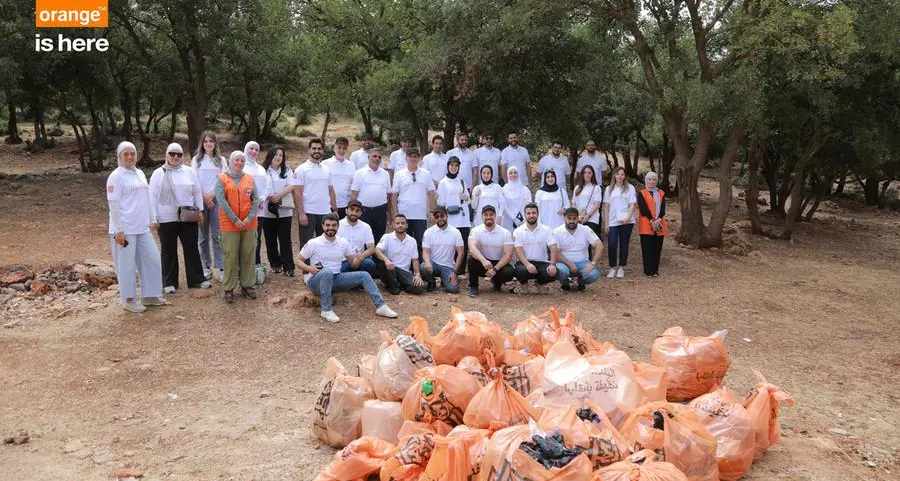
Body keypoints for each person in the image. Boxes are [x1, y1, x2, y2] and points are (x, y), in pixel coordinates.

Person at [298, 214, 398, 323]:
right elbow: (298, 260)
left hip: (336, 279)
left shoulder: (343, 243)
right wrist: (310, 269)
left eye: (333, 225)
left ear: (338, 227)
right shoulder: (314, 243)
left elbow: (353, 264)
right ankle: (326, 310)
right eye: (327, 225)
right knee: (327, 272)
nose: (330, 228)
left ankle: (381, 306)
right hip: (316, 281)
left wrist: (359, 258)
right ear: (322, 226)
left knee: (364, 275)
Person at [107, 141, 164, 313]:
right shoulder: (116, 176)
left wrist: (152, 219)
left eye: (132, 153)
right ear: (119, 156)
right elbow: (113, 204)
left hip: (142, 227)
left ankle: (150, 295)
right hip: (125, 228)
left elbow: (146, 198)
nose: (130, 157)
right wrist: (118, 229)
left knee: (152, 259)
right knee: (126, 264)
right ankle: (128, 298)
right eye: (126, 154)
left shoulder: (139, 173)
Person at [148, 142, 208, 293]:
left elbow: (196, 192)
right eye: (172, 154)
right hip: (166, 217)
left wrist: (200, 210)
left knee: (191, 247)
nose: (175, 157)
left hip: (188, 216)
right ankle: (169, 282)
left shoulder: (189, 172)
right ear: (167, 155)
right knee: (168, 249)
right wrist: (153, 218)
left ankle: (197, 279)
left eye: (179, 154)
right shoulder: (158, 173)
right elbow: (152, 196)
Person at [215, 150, 260, 303]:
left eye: (242, 160)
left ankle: (247, 285)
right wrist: (235, 219)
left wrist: (248, 218)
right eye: (236, 160)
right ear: (231, 161)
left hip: (249, 224)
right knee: (230, 256)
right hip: (229, 224)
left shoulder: (249, 179)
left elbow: (256, 200)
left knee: (248, 254)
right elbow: (222, 202)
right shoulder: (222, 178)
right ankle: (229, 288)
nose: (239, 163)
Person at [191, 131, 227, 282]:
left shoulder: (221, 160)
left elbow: (223, 180)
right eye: (205, 141)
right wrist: (204, 199)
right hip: (200, 201)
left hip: (217, 199)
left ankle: (220, 266)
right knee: (203, 236)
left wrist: (212, 196)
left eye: (211, 141)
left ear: (215, 143)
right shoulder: (196, 160)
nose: (208, 144)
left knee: (217, 235)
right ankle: (205, 266)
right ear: (202, 144)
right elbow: (193, 180)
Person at [390, 147, 434, 260]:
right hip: (404, 214)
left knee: (420, 242)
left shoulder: (426, 174)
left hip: (420, 214)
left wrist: (431, 211)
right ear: (406, 158)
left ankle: (419, 268)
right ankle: (406, 266)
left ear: (419, 159)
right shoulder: (399, 174)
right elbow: (394, 195)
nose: (413, 159)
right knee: (404, 242)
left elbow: (431, 193)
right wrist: (395, 213)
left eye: (415, 156)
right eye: (411, 156)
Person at [293, 138, 336, 250]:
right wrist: (301, 213)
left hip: (325, 212)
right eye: (314, 148)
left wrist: (334, 210)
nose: (317, 151)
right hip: (308, 213)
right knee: (307, 245)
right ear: (309, 150)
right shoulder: (301, 169)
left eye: (319, 148)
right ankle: (306, 267)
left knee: (325, 245)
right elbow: (297, 193)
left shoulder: (327, 169)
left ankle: (323, 267)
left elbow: (331, 191)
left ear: (323, 151)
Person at [261, 145, 295, 276]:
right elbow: (260, 185)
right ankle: (275, 263)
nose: (278, 157)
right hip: (267, 210)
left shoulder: (287, 170)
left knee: (285, 238)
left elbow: (291, 185)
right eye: (276, 154)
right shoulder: (263, 170)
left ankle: (289, 266)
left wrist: (278, 195)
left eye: (281, 155)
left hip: (284, 211)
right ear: (270, 155)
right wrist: (270, 196)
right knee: (270, 238)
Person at [467, 205, 515, 296]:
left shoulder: (505, 232)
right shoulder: (476, 230)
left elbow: (508, 255)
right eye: (486, 215)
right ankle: (473, 286)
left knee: (509, 272)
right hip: (483, 262)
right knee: (471, 261)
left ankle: (497, 283)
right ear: (482, 217)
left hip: (498, 263)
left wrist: (495, 269)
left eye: (491, 214)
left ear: (495, 216)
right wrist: (483, 260)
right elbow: (472, 248)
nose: (488, 217)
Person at [553, 208, 603, 291]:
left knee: (594, 274)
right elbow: (556, 253)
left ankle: (581, 281)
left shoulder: (585, 229)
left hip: (583, 262)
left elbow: (599, 245)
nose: (572, 221)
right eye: (569, 218)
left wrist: (593, 263)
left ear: (578, 218)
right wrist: (570, 264)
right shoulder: (557, 231)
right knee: (562, 271)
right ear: (564, 218)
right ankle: (565, 283)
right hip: (564, 263)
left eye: (574, 218)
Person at [513, 203, 558, 294]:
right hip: (524, 262)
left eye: (534, 213)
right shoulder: (518, 231)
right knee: (520, 271)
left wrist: (552, 264)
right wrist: (527, 264)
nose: (531, 215)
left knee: (554, 272)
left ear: (538, 214)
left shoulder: (546, 229)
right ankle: (524, 285)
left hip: (542, 262)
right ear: (525, 215)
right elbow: (518, 250)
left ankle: (540, 284)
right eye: (528, 213)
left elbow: (553, 247)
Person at [436, 156, 471, 274]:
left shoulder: (461, 181)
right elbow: (440, 202)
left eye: (456, 165)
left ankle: (460, 271)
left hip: (463, 217)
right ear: (448, 166)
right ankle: (449, 268)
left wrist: (465, 197)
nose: (454, 168)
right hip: (451, 217)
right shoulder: (443, 182)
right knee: (451, 244)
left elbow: (468, 199)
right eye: (452, 165)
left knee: (463, 244)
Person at [375, 215, 426, 295]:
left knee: (420, 288)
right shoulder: (387, 237)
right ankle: (396, 286)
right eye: (397, 223)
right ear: (393, 225)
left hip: (404, 273)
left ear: (406, 225)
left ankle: (398, 285)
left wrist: (417, 275)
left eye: (403, 223)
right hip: (390, 270)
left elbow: (415, 260)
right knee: (383, 264)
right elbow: (377, 250)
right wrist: (386, 260)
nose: (400, 225)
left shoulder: (412, 241)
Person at [603, 167, 637, 279]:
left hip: (626, 221)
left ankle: (621, 267)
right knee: (612, 244)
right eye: (617, 174)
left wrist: (628, 217)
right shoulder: (609, 189)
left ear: (624, 176)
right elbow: (606, 207)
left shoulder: (630, 188)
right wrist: (606, 223)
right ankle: (613, 267)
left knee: (624, 244)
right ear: (614, 176)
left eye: (622, 174)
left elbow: (632, 204)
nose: (620, 176)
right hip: (613, 221)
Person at [350, 148, 392, 241]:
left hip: (381, 211)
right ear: (368, 157)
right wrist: (353, 211)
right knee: (363, 238)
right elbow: (354, 194)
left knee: (379, 237)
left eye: (379, 157)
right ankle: (365, 256)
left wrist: (388, 212)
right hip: (364, 211)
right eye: (374, 156)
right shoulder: (359, 173)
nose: (377, 158)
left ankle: (376, 256)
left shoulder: (385, 174)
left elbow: (388, 195)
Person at [242, 141, 271, 271]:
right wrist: (251, 201)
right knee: (244, 238)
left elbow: (267, 187)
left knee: (257, 238)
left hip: (260, 209)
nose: (254, 152)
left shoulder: (261, 169)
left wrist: (261, 199)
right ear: (246, 149)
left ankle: (256, 266)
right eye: (251, 149)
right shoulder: (240, 167)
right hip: (245, 210)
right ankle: (244, 266)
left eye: (256, 150)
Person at [421, 206, 464, 293]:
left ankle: (446, 281)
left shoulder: (455, 232)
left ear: (447, 215)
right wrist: (428, 262)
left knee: (453, 289)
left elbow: (461, 253)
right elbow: (425, 251)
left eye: (442, 216)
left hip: (448, 266)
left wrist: (455, 272)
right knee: (423, 266)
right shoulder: (428, 232)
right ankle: (431, 282)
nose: (440, 218)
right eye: (437, 217)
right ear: (434, 218)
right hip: (434, 264)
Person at [637, 171, 668, 277]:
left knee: (657, 247)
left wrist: (658, 219)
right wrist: (652, 220)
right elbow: (643, 208)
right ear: (646, 180)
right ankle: (648, 271)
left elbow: (663, 209)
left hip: (659, 224)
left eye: (654, 179)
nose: (651, 181)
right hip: (646, 223)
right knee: (647, 248)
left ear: (656, 181)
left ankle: (655, 270)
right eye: (649, 179)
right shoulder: (642, 193)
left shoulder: (661, 193)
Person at [336, 200, 377, 276]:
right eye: (352, 209)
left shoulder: (366, 227)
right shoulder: (338, 225)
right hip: (343, 261)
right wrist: (351, 258)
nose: (354, 213)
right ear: (346, 210)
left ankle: (358, 283)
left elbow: (371, 248)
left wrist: (360, 257)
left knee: (370, 264)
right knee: (340, 270)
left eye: (357, 210)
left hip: (360, 259)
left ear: (361, 213)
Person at [324, 136, 355, 218]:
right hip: (328, 206)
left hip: (346, 206)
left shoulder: (351, 165)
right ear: (334, 148)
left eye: (344, 148)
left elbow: (353, 185)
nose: (341, 150)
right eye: (339, 147)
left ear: (347, 149)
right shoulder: (325, 164)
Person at [572, 164, 603, 240]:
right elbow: (574, 204)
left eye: (589, 173)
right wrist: (577, 217)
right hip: (579, 218)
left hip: (591, 219)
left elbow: (597, 204)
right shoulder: (577, 187)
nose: (587, 174)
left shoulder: (596, 187)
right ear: (582, 174)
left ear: (592, 174)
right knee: (580, 243)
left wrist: (587, 216)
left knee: (587, 243)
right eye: (585, 172)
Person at [501, 166, 532, 232]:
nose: (513, 175)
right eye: (511, 173)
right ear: (507, 175)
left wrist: (523, 219)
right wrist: (514, 218)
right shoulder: (503, 190)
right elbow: (503, 206)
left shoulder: (525, 189)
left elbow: (529, 205)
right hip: (507, 221)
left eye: (515, 173)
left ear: (518, 174)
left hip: (523, 221)